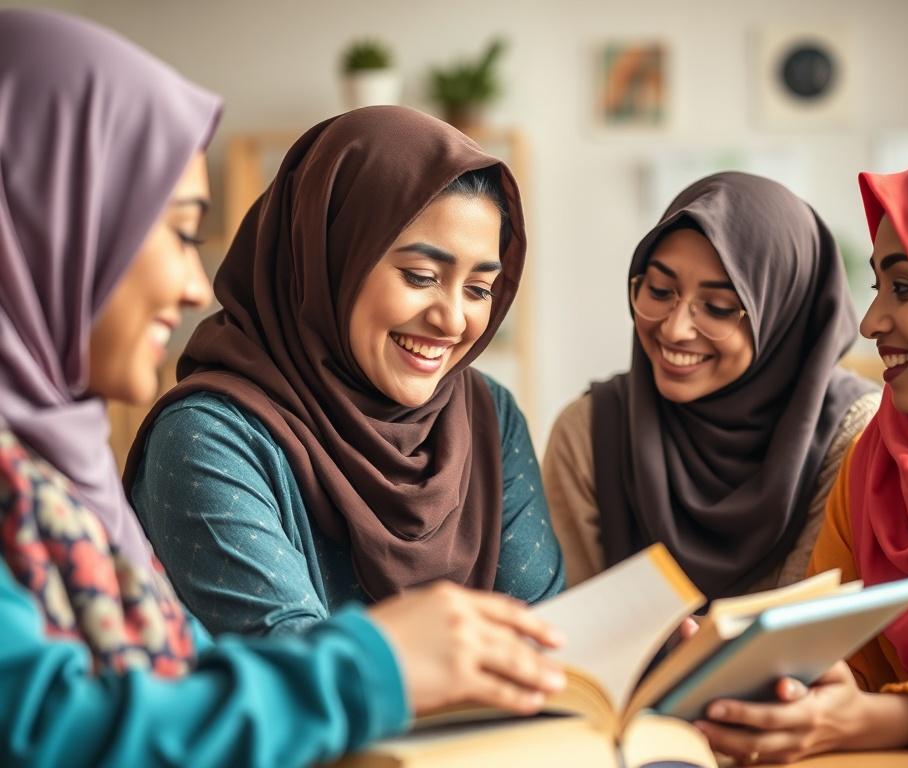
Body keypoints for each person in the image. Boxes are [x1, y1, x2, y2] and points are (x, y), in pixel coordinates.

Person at [0, 10, 564, 767]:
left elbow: (178, 681)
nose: (195, 280)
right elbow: (70, 730)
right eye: (176, 230)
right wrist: (384, 661)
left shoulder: (60, 476)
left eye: (481, 287)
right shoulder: (204, 437)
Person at [124, 105, 563, 636]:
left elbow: (545, 639)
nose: (452, 319)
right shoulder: (209, 438)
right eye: (421, 276)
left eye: (478, 290)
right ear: (325, 261)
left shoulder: (489, 416)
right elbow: (299, 678)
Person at [694, 147, 908, 764]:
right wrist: (768, 681)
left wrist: (904, 715)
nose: (871, 321)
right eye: (879, 286)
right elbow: (844, 653)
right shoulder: (881, 457)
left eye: (905, 287)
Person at [543, 172, 878, 598]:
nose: (676, 329)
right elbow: (571, 630)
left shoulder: (853, 435)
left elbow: (812, 632)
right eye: (660, 290)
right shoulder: (589, 432)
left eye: (718, 307)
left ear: (782, 318)